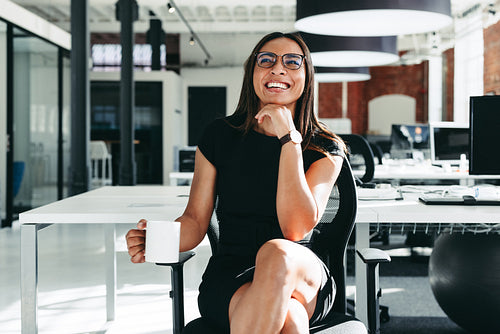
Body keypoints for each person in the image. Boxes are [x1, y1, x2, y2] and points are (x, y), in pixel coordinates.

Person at [126, 31, 346, 334]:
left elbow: (295, 228)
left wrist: (289, 140)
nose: (278, 69)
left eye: (293, 62)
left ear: (307, 76)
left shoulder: (325, 146)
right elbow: (194, 220)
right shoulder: (219, 136)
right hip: (232, 272)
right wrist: (155, 240)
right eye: (266, 60)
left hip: (301, 271)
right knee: (291, 322)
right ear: (252, 73)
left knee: (277, 252)